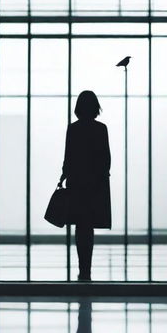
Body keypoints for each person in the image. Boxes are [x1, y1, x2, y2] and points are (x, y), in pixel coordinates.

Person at [59, 90, 111, 281]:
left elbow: (69, 157)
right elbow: (106, 158)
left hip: (77, 183)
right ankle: (87, 268)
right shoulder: (101, 129)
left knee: (80, 226)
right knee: (89, 226)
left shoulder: (73, 129)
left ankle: (83, 267)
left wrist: (65, 175)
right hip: (95, 184)